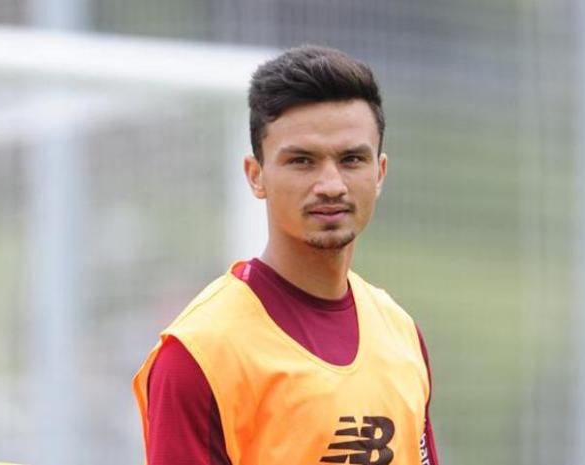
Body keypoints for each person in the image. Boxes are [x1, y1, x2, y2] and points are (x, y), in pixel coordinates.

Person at [132, 45, 440, 465]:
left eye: (351, 159)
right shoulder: (199, 353)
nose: (331, 185)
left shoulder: (401, 333)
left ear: (379, 173)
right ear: (256, 175)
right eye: (302, 161)